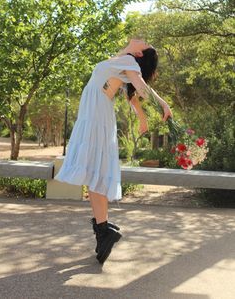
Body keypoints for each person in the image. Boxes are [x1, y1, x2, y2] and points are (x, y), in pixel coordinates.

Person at [55, 39, 172, 264]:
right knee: (92, 172)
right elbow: (131, 94)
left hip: (96, 114)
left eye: (143, 43)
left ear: (139, 53)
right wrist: (142, 118)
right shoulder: (123, 59)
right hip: (94, 112)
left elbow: (140, 88)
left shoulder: (128, 61)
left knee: (92, 170)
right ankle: (103, 230)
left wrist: (162, 104)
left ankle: (103, 230)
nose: (141, 38)